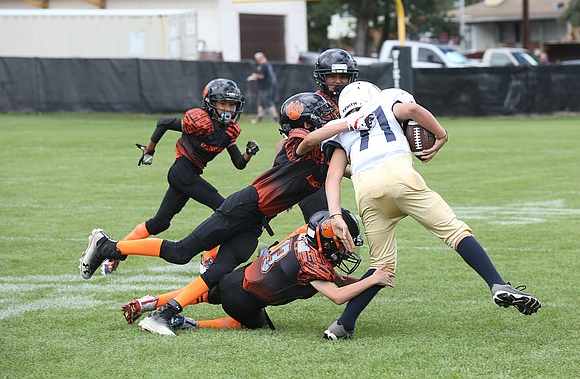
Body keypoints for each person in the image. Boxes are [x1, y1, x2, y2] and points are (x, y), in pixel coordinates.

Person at [78, 92, 357, 333]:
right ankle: (107, 246)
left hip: (258, 221)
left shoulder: (323, 155)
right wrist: (347, 123)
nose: (328, 118)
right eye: (322, 116)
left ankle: (164, 313)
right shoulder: (301, 141)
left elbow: (347, 169)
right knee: (181, 252)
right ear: (304, 120)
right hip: (245, 206)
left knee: (220, 272)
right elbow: (309, 143)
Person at [299, 81, 541, 340]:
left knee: (381, 266)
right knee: (455, 232)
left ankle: (342, 326)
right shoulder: (385, 101)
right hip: (400, 176)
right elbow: (413, 110)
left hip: (366, 192)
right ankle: (497, 284)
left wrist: (336, 215)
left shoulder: (340, 130)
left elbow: (332, 178)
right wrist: (441, 135)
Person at [123, 210, 394, 336]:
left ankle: (149, 302)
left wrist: (368, 283)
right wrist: (372, 279)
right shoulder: (312, 262)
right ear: (328, 240)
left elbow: (339, 279)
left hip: (237, 277)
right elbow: (337, 295)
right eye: (344, 243)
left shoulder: (304, 240)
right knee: (253, 325)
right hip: (242, 299)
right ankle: (188, 323)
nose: (347, 250)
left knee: (203, 294)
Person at [102, 78, 260, 276]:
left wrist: (248, 154)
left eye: (231, 104)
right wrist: (149, 150)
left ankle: (113, 252)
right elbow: (164, 123)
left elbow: (238, 163)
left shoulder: (229, 131)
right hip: (181, 172)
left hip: (190, 175)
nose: (228, 109)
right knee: (226, 209)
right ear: (210, 102)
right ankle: (209, 257)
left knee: (160, 223)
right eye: (223, 103)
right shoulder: (199, 122)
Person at [296, 48, 359, 222]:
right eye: (332, 76)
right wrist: (281, 180)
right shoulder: (311, 104)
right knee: (324, 228)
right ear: (322, 77)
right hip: (309, 175)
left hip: (332, 171)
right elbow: (289, 144)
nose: (338, 82)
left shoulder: (358, 101)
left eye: (343, 77)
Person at [247, 52, 279, 124]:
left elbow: (262, 76)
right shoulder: (266, 65)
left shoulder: (264, 65)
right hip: (265, 87)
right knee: (260, 102)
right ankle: (260, 116)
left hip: (266, 87)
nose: (257, 61)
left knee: (267, 102)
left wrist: (255, 75)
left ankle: (275, 117)